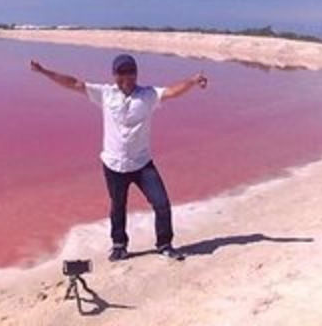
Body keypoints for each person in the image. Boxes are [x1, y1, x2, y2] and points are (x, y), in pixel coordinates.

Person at [30, 53, 208, 261]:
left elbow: (172, 92)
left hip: (142, 164)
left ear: (136, 73)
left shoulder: (148, 95)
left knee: (161, 203)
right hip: (113, 164)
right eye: (121, 72)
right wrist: (44, 72)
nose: (126, 77)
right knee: (118, 206)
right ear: (114, 74)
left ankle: (165, 244)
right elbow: (74, 83)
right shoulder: (105, 94)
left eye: (130, 72)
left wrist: (193, 81)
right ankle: (119, 245)